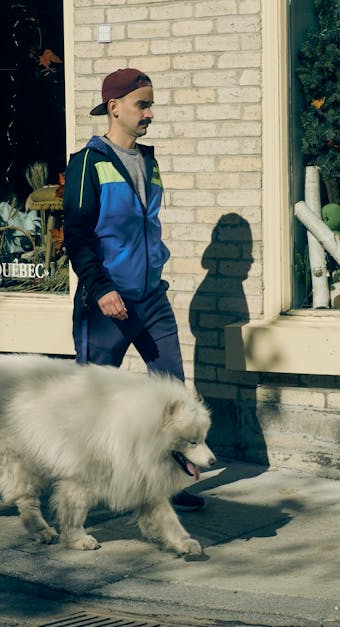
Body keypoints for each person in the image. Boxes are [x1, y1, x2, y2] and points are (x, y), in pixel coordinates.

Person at [62, 68, 205, 513]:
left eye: (151, 105)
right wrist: (101, 287)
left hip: (150, 298)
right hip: (107, 302)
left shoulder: (148, 160)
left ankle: (164, 487)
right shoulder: (88, 162)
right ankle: (83, 491)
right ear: (115, 107)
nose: (149, 114)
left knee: (173, 398)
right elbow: (77, 235)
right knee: (93, 401)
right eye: (143, 104)